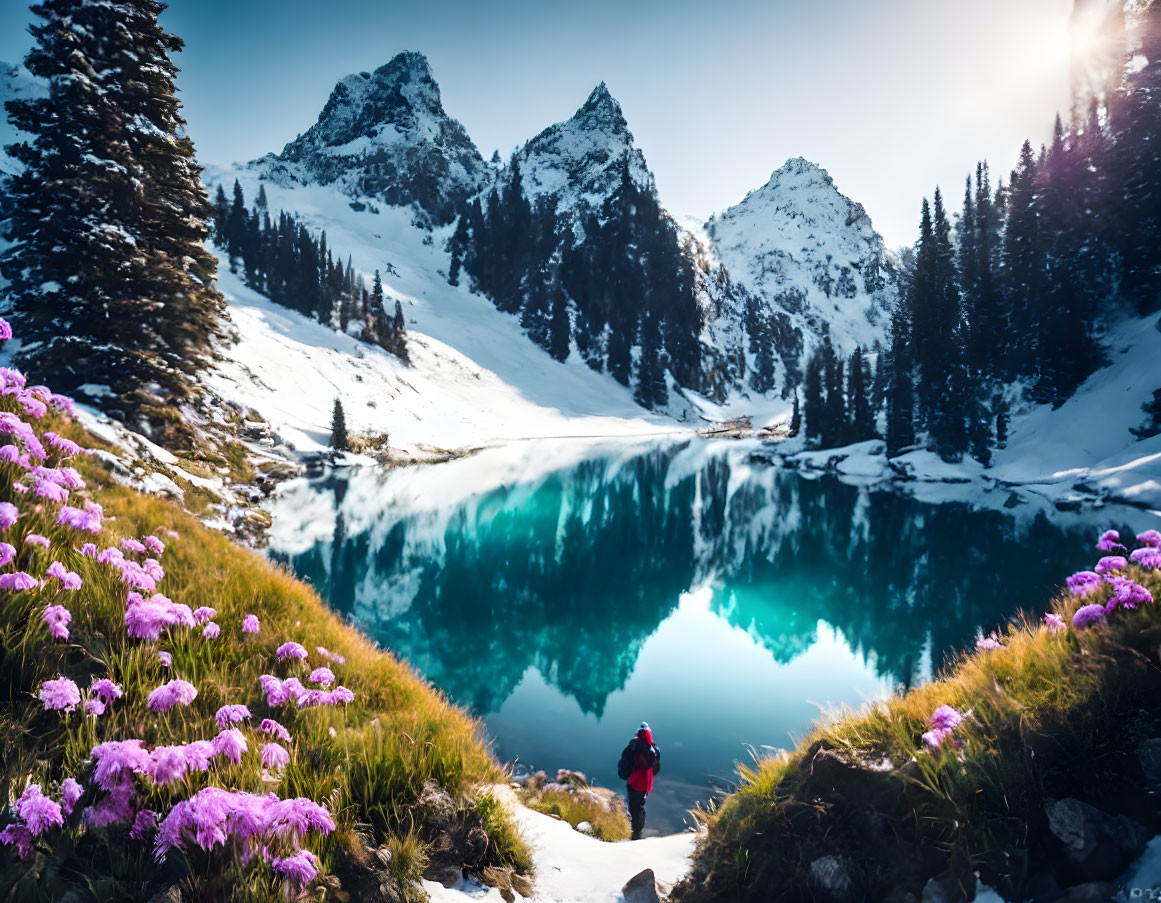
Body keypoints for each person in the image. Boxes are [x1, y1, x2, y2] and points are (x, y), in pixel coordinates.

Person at [619, 721, 661, 840]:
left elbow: (625, 763)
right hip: (646, 786)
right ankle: (638, 831)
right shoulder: (652, 750)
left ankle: (633, 832)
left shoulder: (634, 746)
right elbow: (656, 769)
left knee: (633, 806)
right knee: (639, 807)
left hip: (633, 783)